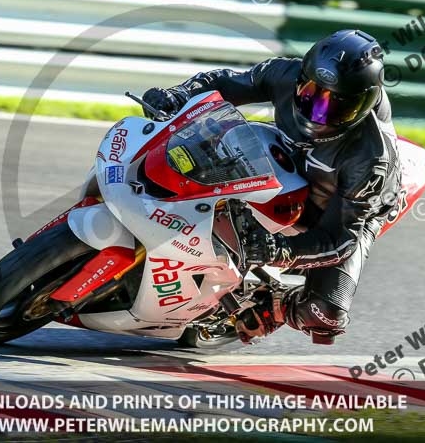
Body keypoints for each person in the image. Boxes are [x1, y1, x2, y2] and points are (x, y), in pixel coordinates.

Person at [142, 29, 402, 345]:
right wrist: (179, 94)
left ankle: (275, 307)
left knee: (326, 313)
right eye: (310, 94)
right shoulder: (284, 73)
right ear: (300, 79)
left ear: (364, 106)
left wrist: (282, 251)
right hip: (291, 155)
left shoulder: (369, 159)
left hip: (347, 204)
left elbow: (340, 239)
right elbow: (225, 82)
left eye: (338, 108)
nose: (318, 114)